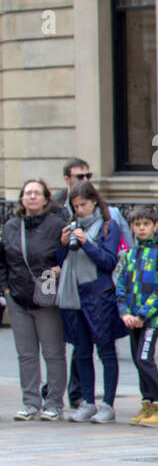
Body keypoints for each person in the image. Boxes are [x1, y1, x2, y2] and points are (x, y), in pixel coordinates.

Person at [59, 182, 127, 424]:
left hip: (99, 296)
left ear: (94, 202)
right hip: (74, 295)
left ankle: (107, 404)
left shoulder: (109, 226)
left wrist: (86, 242)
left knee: (106, 350)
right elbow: (59, 261)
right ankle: (87, 402)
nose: (80, 210)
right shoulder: (71, 226)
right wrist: (64, 242)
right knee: (82, 352)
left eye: (83, 205)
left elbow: (108, 261)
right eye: (76, 206)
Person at [1, 179, 68, 421]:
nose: (31, 197)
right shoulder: (11, 226)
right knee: (26, 354)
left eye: (36, 193)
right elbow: (3, 260)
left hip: (46, 296)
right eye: (28, 193)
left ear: (45, 198)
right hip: (17, 297)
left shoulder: (57, 225)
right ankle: (30, 402)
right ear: (21, 198)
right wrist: (6, 290)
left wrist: (57, 270)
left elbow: (66, 255)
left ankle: (54, 402)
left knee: (53, 352)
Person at [115, 206, 158, 427]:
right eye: (137, 224)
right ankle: (147, 402)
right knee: (138, 361)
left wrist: (141, 314)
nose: (141, 228)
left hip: (150, 319)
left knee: (144, 358)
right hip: (132, 319)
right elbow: (120, 285)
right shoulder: (129, 254)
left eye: (146, 224)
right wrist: (125, 313)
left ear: (156, 226)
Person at [53, 158, 132, 248]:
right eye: (80, 177)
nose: (85, 180)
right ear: (67, 179)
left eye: (88, 176)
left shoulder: (110, 212)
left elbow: (128, 245)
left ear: (93, 202)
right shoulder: (56, 206)